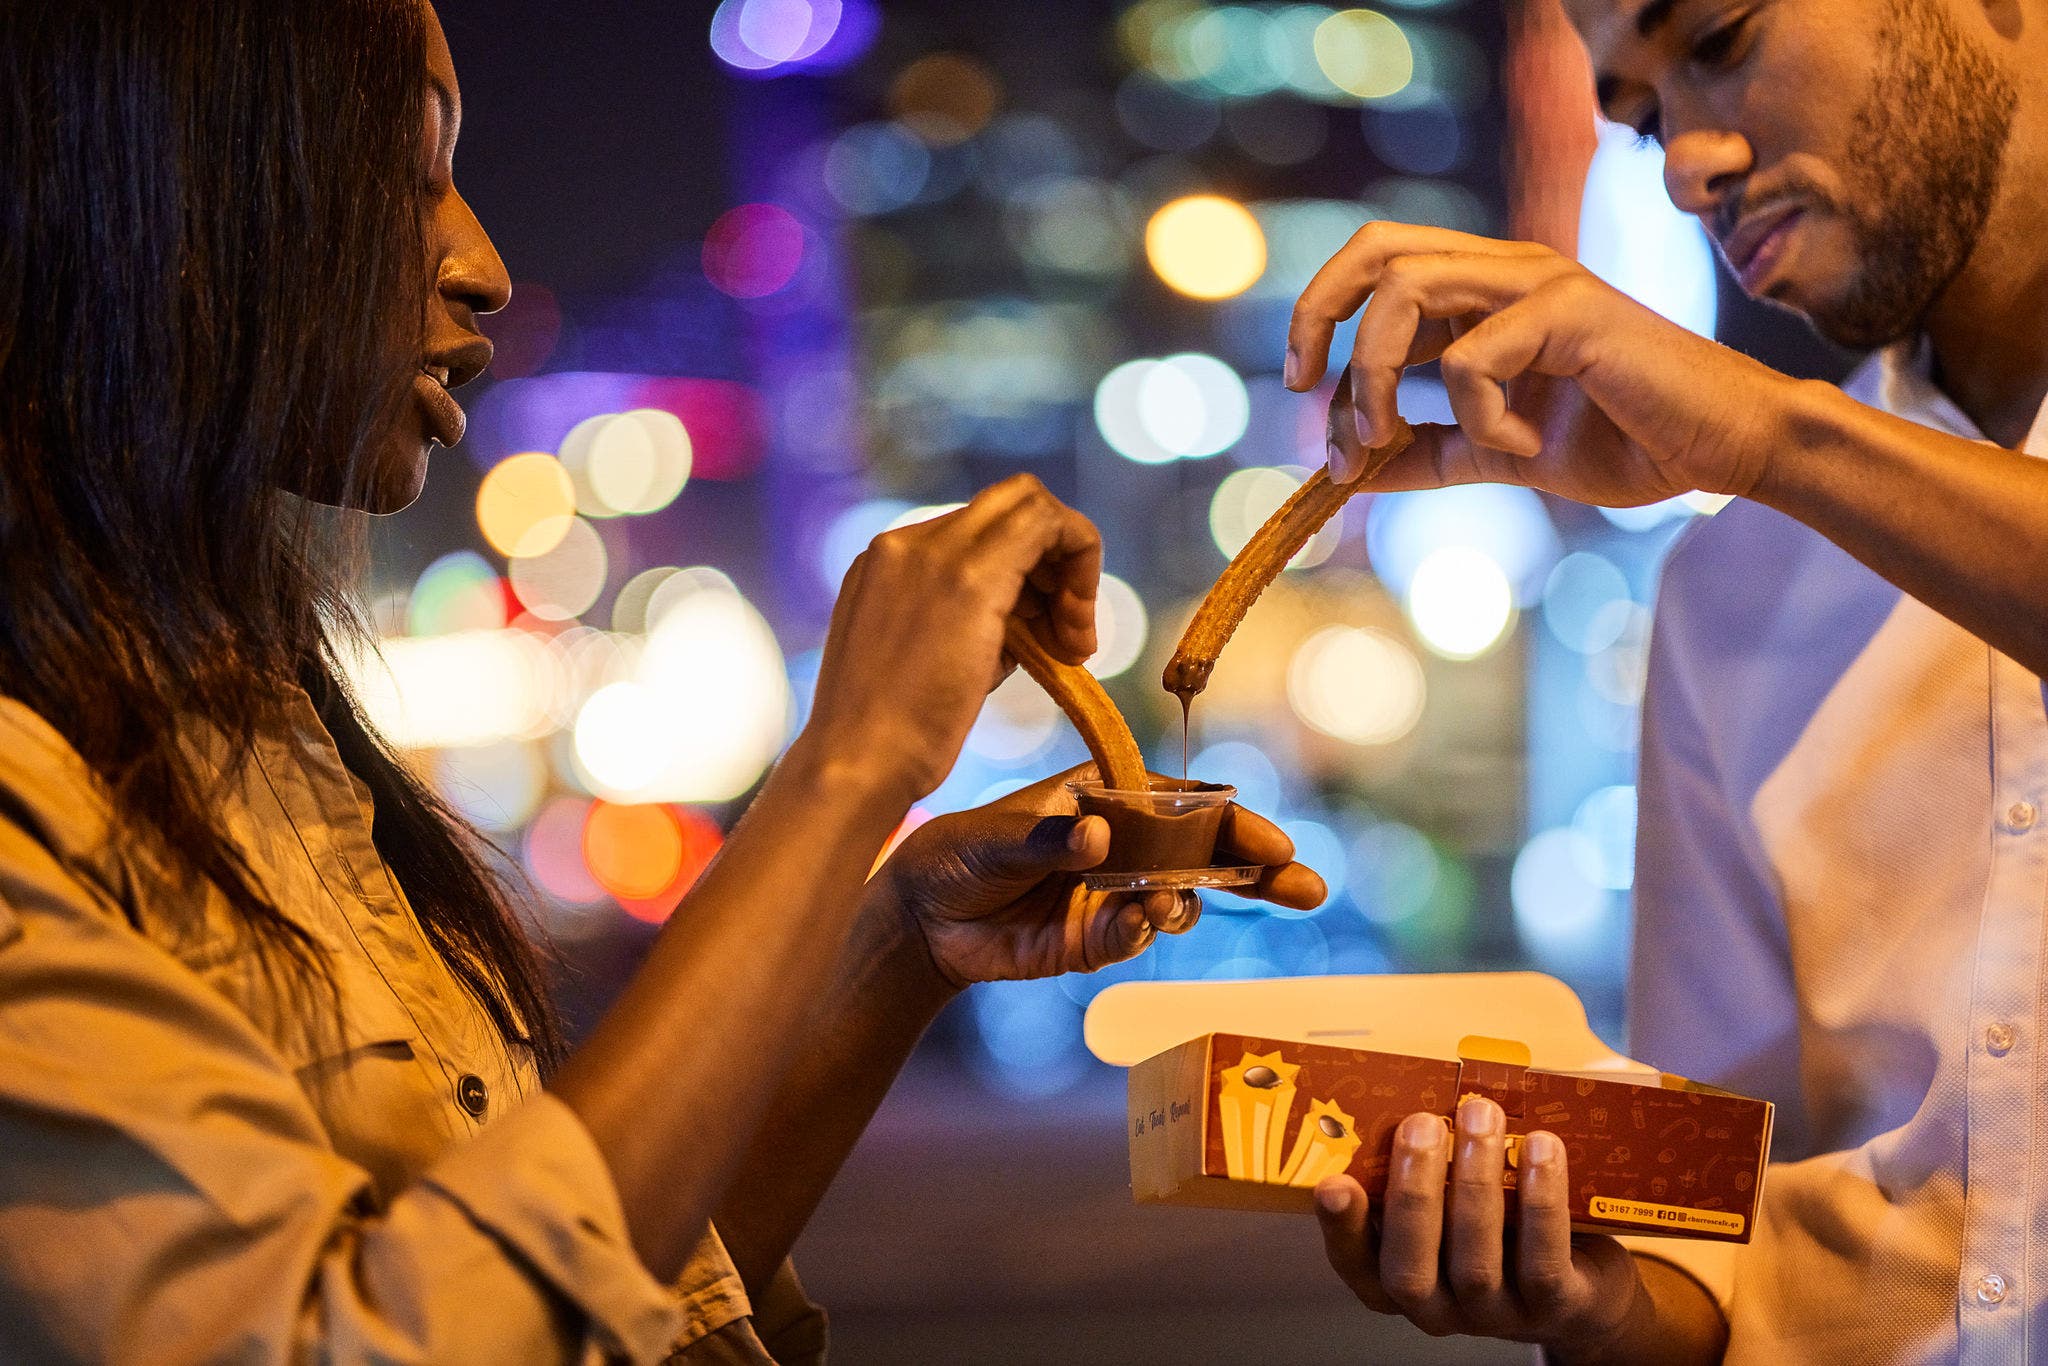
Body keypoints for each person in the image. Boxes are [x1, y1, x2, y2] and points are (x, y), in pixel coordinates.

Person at [0, 3, 1325, 1362]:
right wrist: (848, 764)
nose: (485, 264)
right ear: (152, 190)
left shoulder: (254, 728)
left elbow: (604, 1296)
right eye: (403, 173)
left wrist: (900, 938)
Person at [1283, 0, 2048, 1360]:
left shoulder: (1771, 472)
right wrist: (1590, 1297)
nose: (1685, 162)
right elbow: (1720, 1246)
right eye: (1639, 117)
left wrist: (1767, 435)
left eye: (1717, 38)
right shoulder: (1737, 584)